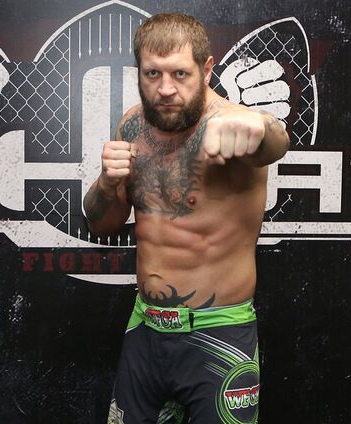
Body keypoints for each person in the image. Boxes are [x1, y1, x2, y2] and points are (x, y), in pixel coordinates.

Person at [83, 13, 290, 424]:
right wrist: (107, 184)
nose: (165, 88)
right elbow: (101, 224)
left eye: (180, 73)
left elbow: (273, 141)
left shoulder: (232, 126)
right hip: (145, 328)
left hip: (218, 334)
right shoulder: (131, 126)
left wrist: (261, 125)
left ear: (206, 69)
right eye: (152, 74)